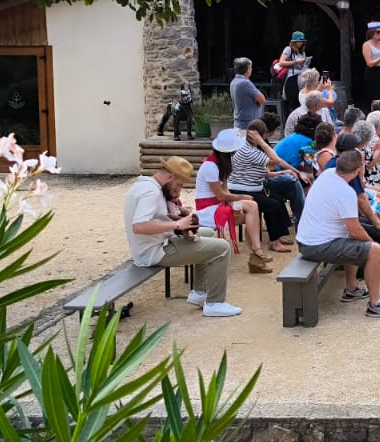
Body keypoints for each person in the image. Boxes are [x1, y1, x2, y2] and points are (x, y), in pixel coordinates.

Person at [295, 149, 380, 319]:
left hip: (306, 239)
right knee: (372, 249)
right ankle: (375, 304)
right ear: (357, 171)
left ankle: (352, 288)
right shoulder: (346, 192)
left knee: (355, 241)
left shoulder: (327, 175)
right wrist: (373, 249)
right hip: (316, 246)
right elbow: (355, 229)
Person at [123, 157, 241, 317]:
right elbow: (139, 226)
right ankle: (215, 303)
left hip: (157, 243)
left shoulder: (147, 185)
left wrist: (178, 215)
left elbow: (156, 217)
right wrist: (177, 225)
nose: (179, 189)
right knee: (222, 248)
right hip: (154, 252)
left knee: (208, 233)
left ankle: (199, 293)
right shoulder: (150, 192)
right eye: (178, 184)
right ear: (170, 177)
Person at [193, 129, 273, 273]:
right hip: (208, 211)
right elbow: (221, 195)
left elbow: (225, 191)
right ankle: (257, 253)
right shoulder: (210, 166)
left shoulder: (219, 164)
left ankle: (257, 251)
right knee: (252, 209)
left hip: (217, 205)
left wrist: (235, 203)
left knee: (252, 208)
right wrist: (240, 198)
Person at [228, 120, 303, 252]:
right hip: (241, 191)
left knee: (277, 198)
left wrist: (286, 171)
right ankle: (274, 241)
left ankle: (278, 236)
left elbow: (265, 174)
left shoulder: (251, 149)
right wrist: (262, 142)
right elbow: (276, 159)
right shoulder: (248, 151)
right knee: (272, 205)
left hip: (253, 188)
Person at [276, 31, 311, 107]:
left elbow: (302, 66)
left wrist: (306, 63)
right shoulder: (288, 49)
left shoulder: (302, 52)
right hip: (292, 78)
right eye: (299, 41)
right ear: (294, 42)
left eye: (302, 41)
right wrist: (296, 62)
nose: (300, 43)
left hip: (302, 78)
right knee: (294, 102)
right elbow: (281, 62)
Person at [230, 57, 266, 129]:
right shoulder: (245, 83)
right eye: (251, 67)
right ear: (248, 70)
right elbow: (262, 100)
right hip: (248, 125)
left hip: (240, 122)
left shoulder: (234, 81)